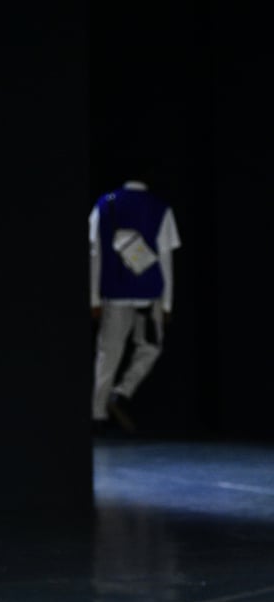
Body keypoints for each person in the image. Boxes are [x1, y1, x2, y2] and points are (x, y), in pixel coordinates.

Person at [89, 165, 182, 433]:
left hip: (114, 294)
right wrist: (167, 304)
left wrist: (94, 297)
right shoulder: (159, 208)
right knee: (150, 346)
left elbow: (95, 257)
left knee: (109, 353)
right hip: (149, 295)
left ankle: (99, 411)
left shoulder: (104, 205)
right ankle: (119, 393)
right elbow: (166, 261)